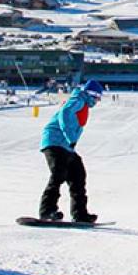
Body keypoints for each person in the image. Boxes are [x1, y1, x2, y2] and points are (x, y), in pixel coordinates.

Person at [39, 80, 105, 223]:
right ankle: (47, 211)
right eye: (97, 97)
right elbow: (65, 113)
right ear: (91, 94)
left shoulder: (82, 102)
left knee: (78, 175)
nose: (98, 101)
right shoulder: (79, 99)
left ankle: (80, 214)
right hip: (54, 141)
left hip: (66, 146)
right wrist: (70, 137)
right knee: (59, 173)